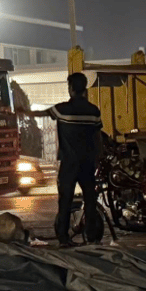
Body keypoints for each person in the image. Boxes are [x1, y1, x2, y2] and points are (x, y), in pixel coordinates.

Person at [39, 72, 103, 246]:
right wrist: (98, 157)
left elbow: (41, 113)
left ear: (71, 88)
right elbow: (97, 137)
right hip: (88, 163)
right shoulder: (94, 111)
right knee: (90, 200)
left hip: (69, 163)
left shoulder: (62, 109)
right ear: (84, 88)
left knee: (65, 201)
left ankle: (63, 238)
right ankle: (92, 238)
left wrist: (23, 111)